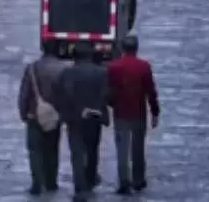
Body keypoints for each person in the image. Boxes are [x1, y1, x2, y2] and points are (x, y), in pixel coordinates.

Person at [107, 33, 160, 194]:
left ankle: (124, 182)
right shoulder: (144, 67)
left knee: (122, 149)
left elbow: (109, 92)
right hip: (138, 112)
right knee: (138, 148)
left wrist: (111, 104)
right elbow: (150, 91)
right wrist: (155, 111)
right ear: (136, 49)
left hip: (120, 112)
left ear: (123, 48)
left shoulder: (114, 67)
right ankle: (138, 180)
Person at [54, 49, 109, 202]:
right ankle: (90, 178)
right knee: (92, 149)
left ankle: (80, 186)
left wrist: (71, 111)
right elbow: (107, 94)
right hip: (95, 117)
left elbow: (62, 94)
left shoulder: (68, 73)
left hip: (75, 119)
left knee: (77, 153)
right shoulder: (101, 72)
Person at [19, 41, 68, 196]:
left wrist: (23, 112)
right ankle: (51, 181)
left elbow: (24, 94)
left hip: (34, 114)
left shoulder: (32, 68)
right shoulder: (63, 69)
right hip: (54, 115)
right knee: (52, 149)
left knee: (34, 150)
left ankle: (36, 183)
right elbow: (66, 94)